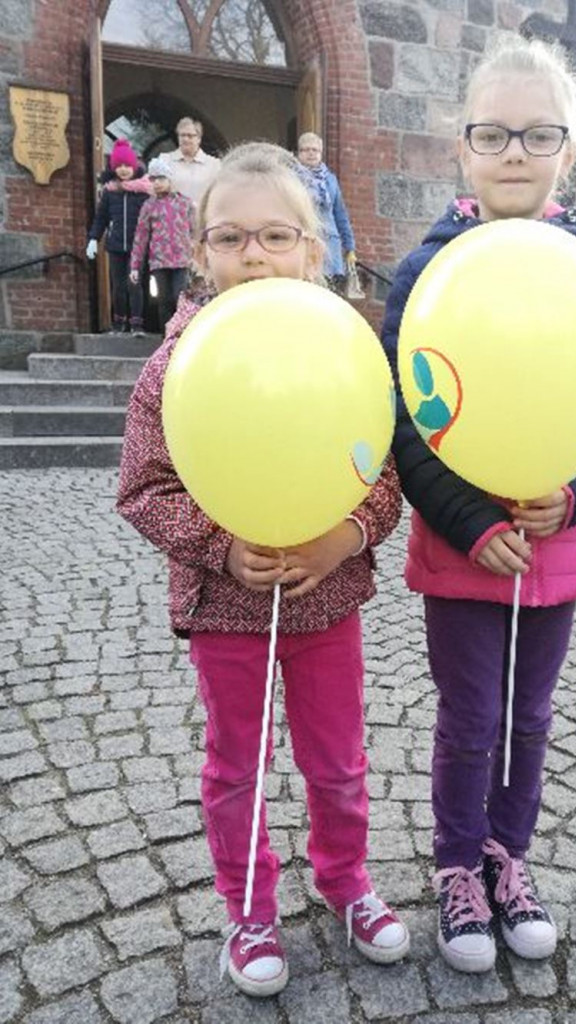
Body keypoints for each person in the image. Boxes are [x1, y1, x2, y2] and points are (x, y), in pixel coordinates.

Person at [381, 36, 576, 974]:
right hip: (469, 542)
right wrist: (473, 520)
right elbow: (405, 414)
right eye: (492, 133)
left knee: (530, 714)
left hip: (560, 535)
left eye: (537, 136)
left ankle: (510, 857)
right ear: (460, 148)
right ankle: (458, 864)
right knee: (470, 713)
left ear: (568, 154)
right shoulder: (428, 271)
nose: (512, 153)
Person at [116, 141, 409, 998]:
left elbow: (385, 476)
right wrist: (221, 548)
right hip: (223, 609)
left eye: (276, 237)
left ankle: (346, 879)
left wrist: (346, 537)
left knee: (338, 758)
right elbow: (143, 488)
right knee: (235, 765)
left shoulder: (349, 355)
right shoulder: (175, 366)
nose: (254, 256)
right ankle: (248, 905)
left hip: (329, 603)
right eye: (232, 239)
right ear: (201, 252)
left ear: (313, 250)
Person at [86, 139, 149, 335]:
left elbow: (151, 221)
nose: (123, 170)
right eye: (119, 166)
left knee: (135, 285)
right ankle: (119, 323)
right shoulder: (109, 192)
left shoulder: (143, 192)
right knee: (118, 287)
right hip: (115, 246)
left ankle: (137, 324)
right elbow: (101, 218)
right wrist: (93, 239)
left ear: (134, 166)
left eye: (127, 165)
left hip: (137, 247)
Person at [129, 156, 196, 331]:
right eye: (153, 179)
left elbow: (195, 232)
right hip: (159, 261)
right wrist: (135, 266)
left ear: (170, 179)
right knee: (163, 300)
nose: (157, 183)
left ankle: (182, 333)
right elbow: (141, 236)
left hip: (182, 260)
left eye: (161, 178)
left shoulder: (185, 203)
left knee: (179, 297)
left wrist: (198, 256)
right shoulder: (149, 206)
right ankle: (166, 337)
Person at [296, 132, 356, 292]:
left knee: (330, 291)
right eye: (306, 150)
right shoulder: (291, 178)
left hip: (331, 245)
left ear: (321, 153)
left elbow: (340, 214)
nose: (311, 154)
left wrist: (349, 246)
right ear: (299, 153)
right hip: (305, 242)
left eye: (315, 150)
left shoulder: (330, 180)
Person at [166, 116, 221, 205]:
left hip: (200, 216)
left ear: (199, 139)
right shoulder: (165, 161)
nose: (185, 139)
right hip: (172, 216)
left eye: (190, 136)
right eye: (182, 135)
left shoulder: (214, 165)